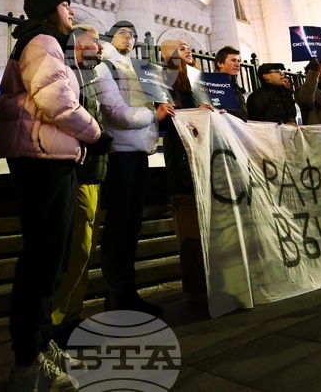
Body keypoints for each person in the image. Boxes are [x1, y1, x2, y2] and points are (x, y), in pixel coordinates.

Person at [0, 0, 110, 391]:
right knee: (44, 259)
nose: (71, 11)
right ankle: (27, 361)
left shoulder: (41, 42)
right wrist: (95, 134)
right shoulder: (42, 42)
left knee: (50, 258)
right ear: (50, 11)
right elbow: (55, 100)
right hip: (41, 160)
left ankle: (39, 346)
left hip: (46, 157)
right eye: (65, 5)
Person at [93, 21, 173, 318]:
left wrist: (161, 106)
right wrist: (153, 115)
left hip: (139, 151)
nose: (130, 37)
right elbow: (116, 114)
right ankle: (117, 293)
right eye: (123, 32)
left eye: (133, 33)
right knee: (119, 225)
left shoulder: (138, 69)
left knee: (131, 226)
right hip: (120, 153)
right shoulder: (105, 67)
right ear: (110, 37)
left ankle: (125, 292)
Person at [50, 24, 110, 346]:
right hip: (80, 174)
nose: (101, 48)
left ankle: (72, 315)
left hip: (95, 175)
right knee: (77, 249)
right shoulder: (69, 76)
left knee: (85, 252)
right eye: (95, 42)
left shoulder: (92, 78)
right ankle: (57, 320)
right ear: (77, 44)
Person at [159, 38, 211, 303]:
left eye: (188, 46)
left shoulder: (197, 82)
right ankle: (196, 286)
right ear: (170, 55)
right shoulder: (166, 82)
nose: (188, 49)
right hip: (182, 160)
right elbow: (166, 123)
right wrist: (194, 113)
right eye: (181, 47)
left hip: (202, 157)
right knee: (189, 224)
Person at [214, 46, 248, 120]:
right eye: (233, 60)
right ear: (220, 64)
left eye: (238, 61)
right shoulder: (211, 85)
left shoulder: (236, 87)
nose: (237, 65)